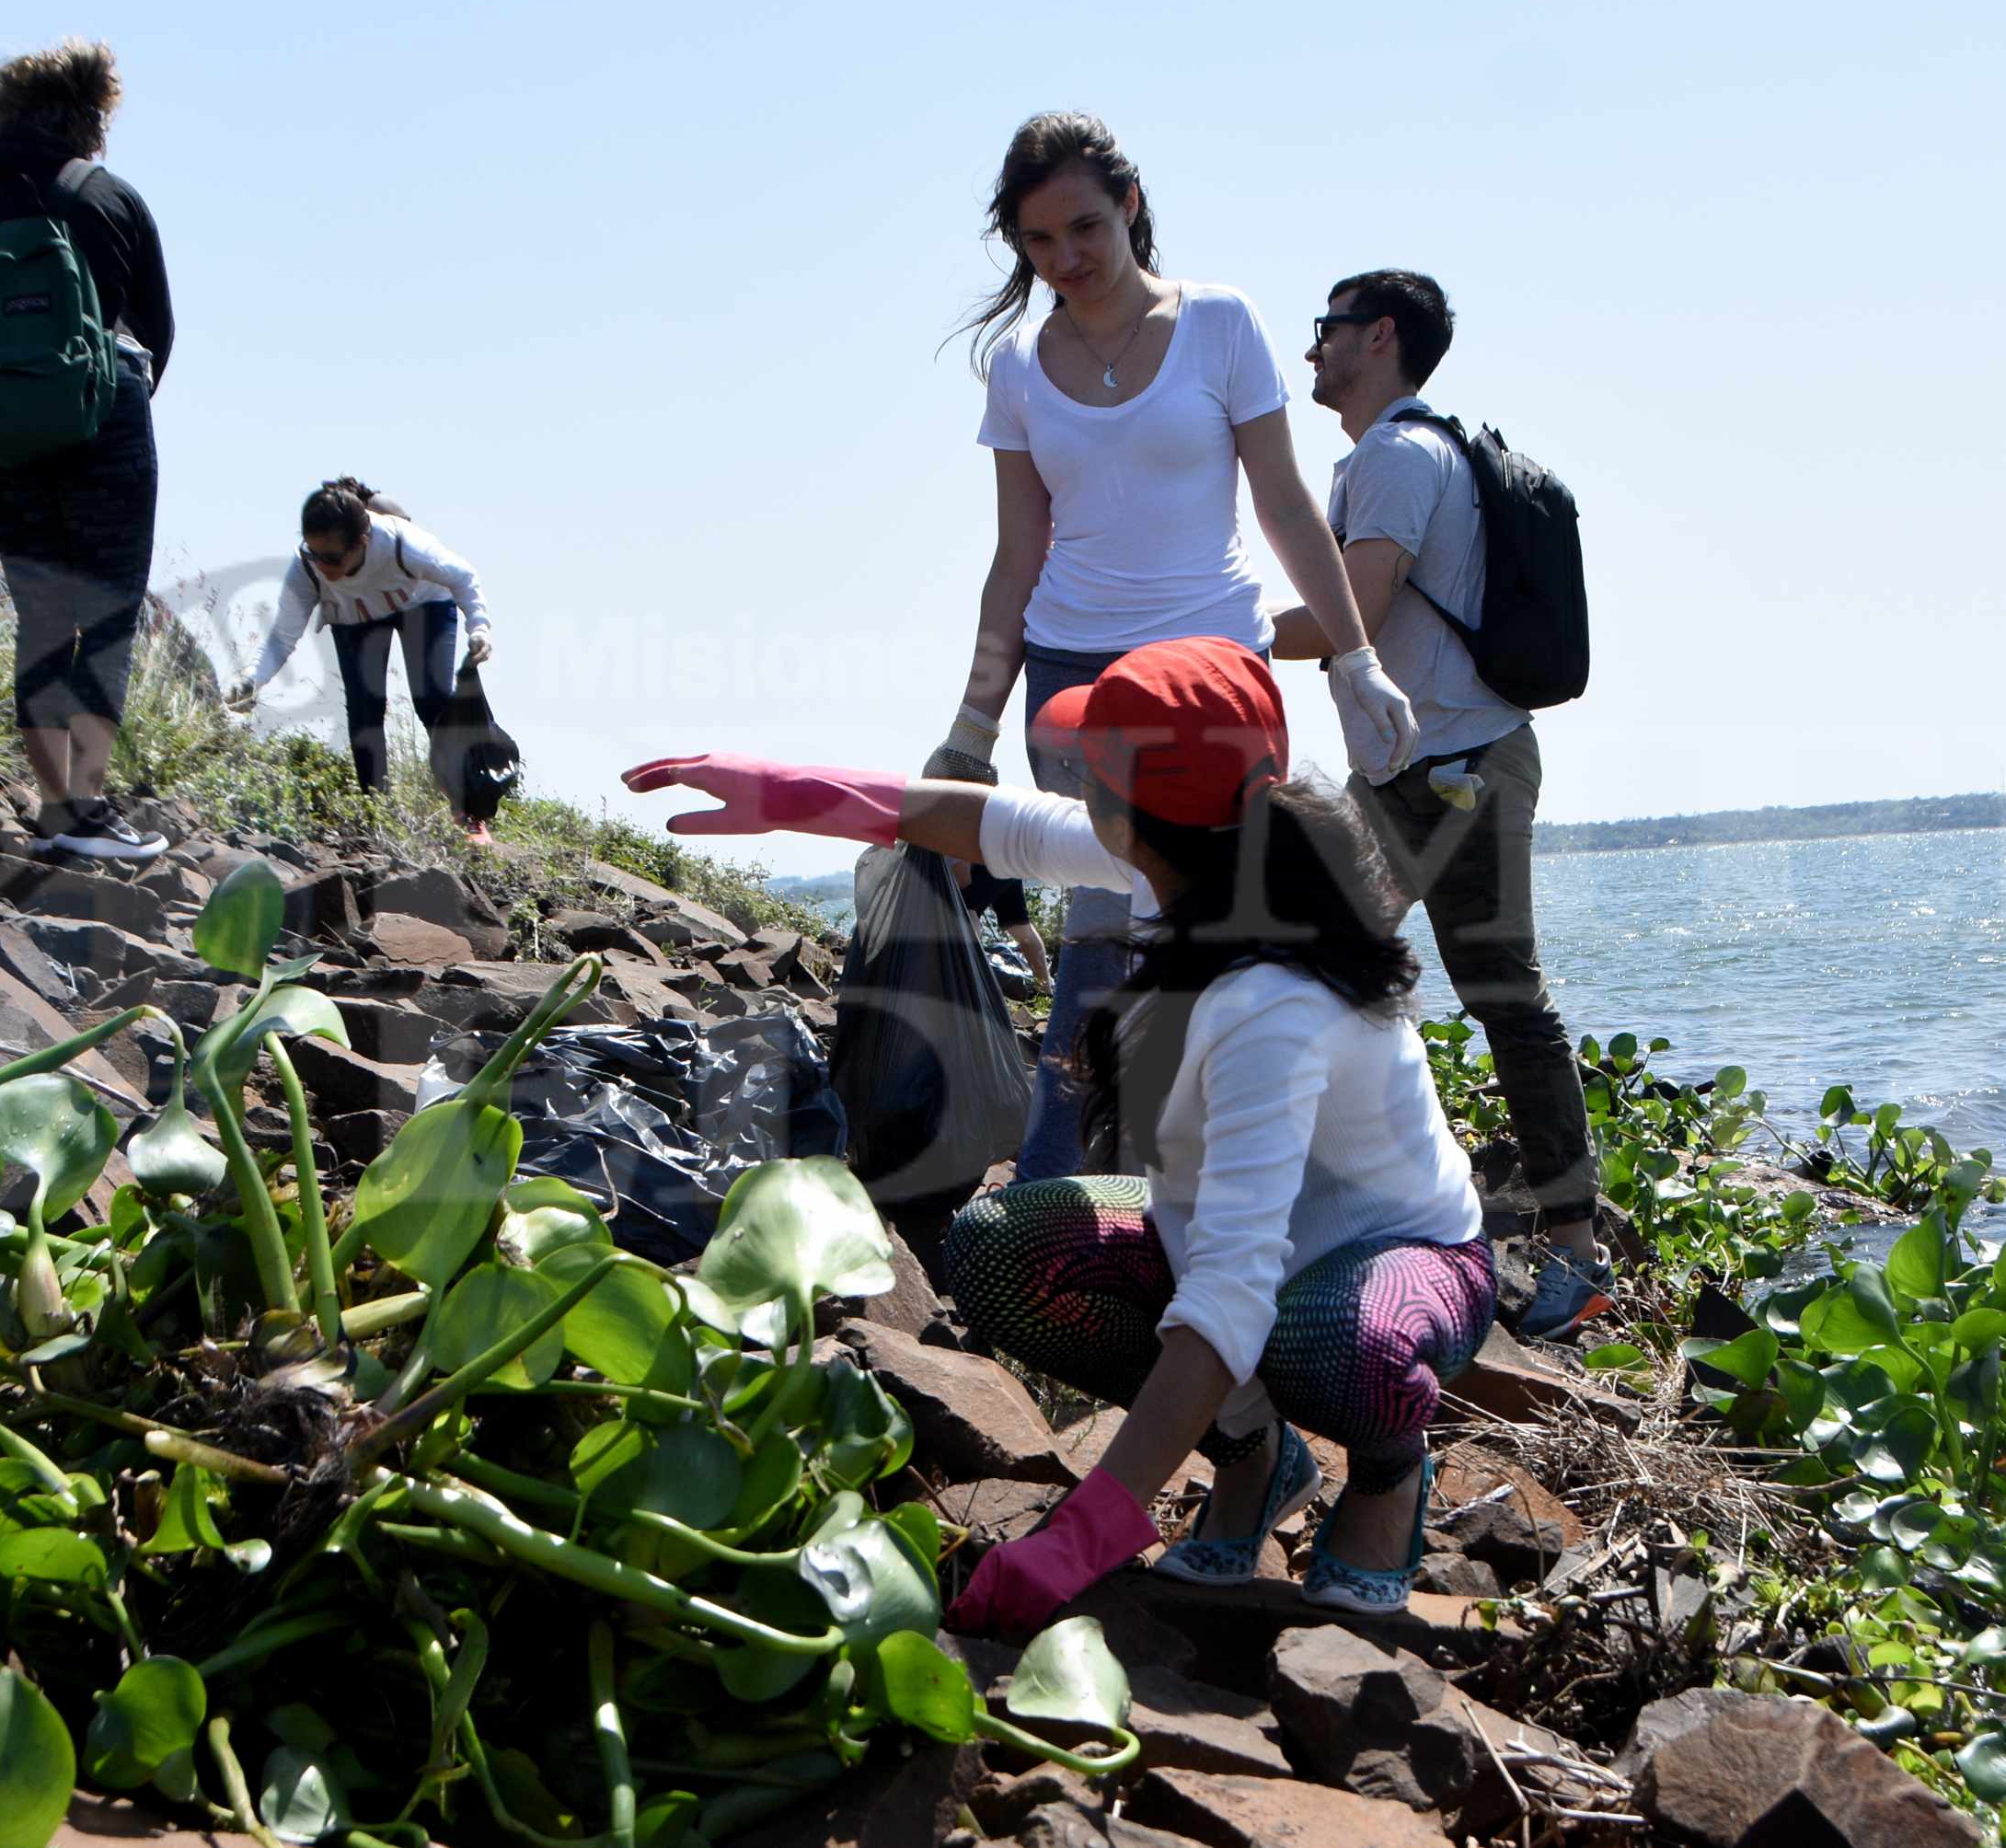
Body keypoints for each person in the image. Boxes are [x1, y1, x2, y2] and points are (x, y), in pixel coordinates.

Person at [628, 637, 1491, 1635]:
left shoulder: (1268, 1005)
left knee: (1336, 1343)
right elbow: (988, 824)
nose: (1077, 789)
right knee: (1001, 1250)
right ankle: (1257, 1454)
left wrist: (1075, 1543)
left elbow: (1228, 1293)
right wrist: (783, 790)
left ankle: (1387, 1475)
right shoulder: (1196, 849)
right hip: (1233, 1246)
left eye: (1093, 773)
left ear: (1135, 812)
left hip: (1399, 1264)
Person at [926, 112, 1424, 1185]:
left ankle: (1262, 1191)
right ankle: (1058, 1207)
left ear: (1131, 207)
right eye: (1037, 240)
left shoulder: (1220, 324)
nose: (1065, 257)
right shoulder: (1016, 365)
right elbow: (1016, 557)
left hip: (1219, 684)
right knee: (1101, 939)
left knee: (1249, 933)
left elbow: (1286, 505)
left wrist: (1352, 657)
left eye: (1084, 227)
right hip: (1079, 686)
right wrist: (971, 723)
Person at [1272, 271, 1608, 1338]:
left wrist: (1209, 631)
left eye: (1325, 329)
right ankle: (1353, 1217)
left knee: (1500, 996)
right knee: (1323, 977)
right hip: (1402, 775)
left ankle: (1573, 1251)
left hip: (1458, 769)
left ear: (1378, 338)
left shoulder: (1399, 458)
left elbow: (1348, 617)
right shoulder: (1390, 459)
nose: (1311, 348)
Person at [0, 38, 175, 863]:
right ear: (91, 119)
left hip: (1, 429)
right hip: (108, 421)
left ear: (1, 112)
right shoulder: (111, 197)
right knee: (105, 614)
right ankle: (83, 812)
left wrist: (8, 382)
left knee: (42, 610)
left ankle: (52, 802)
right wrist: (100, 391)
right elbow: (158, 333)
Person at [225, 478, 499, 837]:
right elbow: (281, 637)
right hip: (354, 616)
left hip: (423, 603)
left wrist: (479, 628)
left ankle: (469, 812)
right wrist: (250, 680)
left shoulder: (402, 544)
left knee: (431, 700)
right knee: (365, 711)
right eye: (314, 552)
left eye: (333, 557)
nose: (323, 565)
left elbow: (463, 576)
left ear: (363, 541)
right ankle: (378, 817)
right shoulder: (306, 567)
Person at [964, 862, 1055, 993]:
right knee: (1023, 931)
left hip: (984, 862)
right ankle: (1046, 991)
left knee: (965, 912)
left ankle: (972, 990)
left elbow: (961, 876)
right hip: (1009, 862)